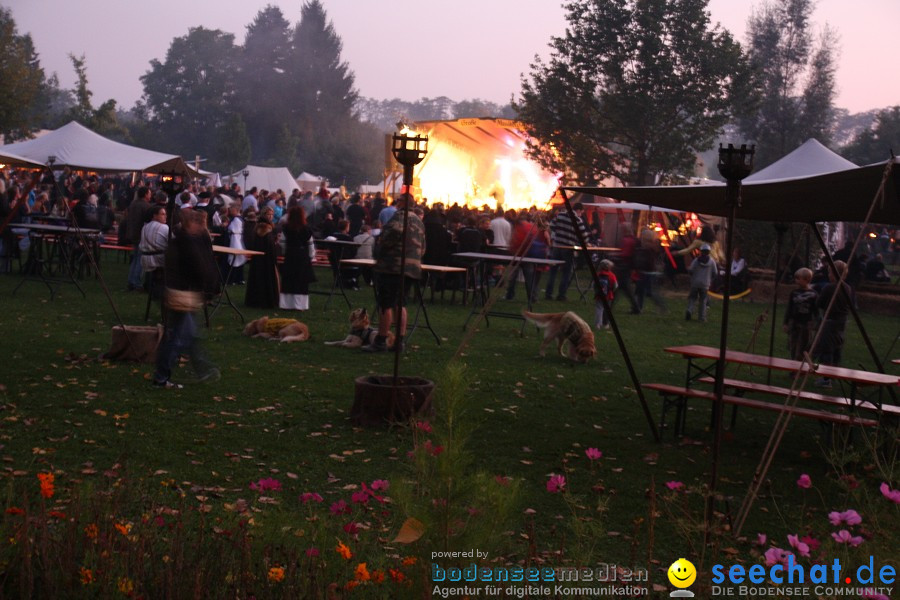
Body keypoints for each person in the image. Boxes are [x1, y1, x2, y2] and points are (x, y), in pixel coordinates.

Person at [152, 209, 221, 389]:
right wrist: (207, 286)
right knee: (178, 336)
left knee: (187, 334)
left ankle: (201, 368)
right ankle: (162, 376)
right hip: (182, 294)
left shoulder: (181, 242)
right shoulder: (185, 243)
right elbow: (198, 268)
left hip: (180, 292)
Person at [364, 194, 425, 353]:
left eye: (398, 201)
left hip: (393, 267)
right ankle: (399, 342)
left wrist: (382, 243)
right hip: (411, 269)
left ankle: (381, 340)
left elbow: (389, 237)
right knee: (401, 303)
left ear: (402, 203)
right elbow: (423, 248)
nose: (396, 203)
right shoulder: (419, 221)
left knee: (386, 304)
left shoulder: (398, 218)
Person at [813, 260, 853, 388]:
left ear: (834, 273)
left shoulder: (829, 288)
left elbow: (819, 303)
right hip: (842, 321)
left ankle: (826, 378)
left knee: (827, 349)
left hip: (830, 322)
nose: (828, 275)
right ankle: (834, 375)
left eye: (830, 272)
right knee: (837, 348)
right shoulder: (847, 287)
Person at [544, 202, 587, 301]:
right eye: (581, 212)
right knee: (566, 272)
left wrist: (559, 234)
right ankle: (561, 294)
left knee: (553, 271)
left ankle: (548, 294)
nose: (581, 215)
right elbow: (583, 236)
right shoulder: (578, 220)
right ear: (579, 210)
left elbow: (552, 226)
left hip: (557, 246)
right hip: (568, 249)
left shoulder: (560, 215)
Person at [278, 206, 316, 310]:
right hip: (302, 255)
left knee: (289, 279)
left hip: (290, 255)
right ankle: (300, 305)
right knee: (301, 280)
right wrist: (311, 256)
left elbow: (282, 243)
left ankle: (286, 304)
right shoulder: (306, 228)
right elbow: (310, 244)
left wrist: (286, 252)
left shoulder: (286, 228)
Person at [244, 209, 281, 308]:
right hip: (265, 259)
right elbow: (268, 245)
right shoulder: (264, 228)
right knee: (264, 278)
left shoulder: (262, 228)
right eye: (268, 214)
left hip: (262, 258)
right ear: (264, 215)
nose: (271, 216)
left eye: (272, 214)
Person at [782, 267, 818, 362]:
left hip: (806, 323)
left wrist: (816, 322)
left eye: (798, 278)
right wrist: (786, 322)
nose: (796, 280)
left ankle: (801, 364)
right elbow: (789, 308)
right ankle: (793, 363)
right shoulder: (794, 293)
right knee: (793, 344)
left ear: (807, 280)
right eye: (796, 278)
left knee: (804, 345)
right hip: (794, 322)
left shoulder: (813, 294)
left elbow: (815, 310)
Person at [139, 205, 169, 301]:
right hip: (158, 260)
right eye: (162, 214)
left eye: (165, 214)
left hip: (145, 260)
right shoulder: (164, 227)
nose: (165, 216)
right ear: (154, 216)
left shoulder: (145, 227)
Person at [685, 243, 717, 322]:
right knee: (703, 301)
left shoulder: (696, 260)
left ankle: (689, 310)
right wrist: (710, 279)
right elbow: (715, 272)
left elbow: (691, 270)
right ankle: (701, 318)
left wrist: (691, 275)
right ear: (709, 252)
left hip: (695, 283)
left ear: (701, 251)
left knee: (692, 298)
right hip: (705, 284)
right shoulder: (712, 262)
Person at [594, 259, 618, 330]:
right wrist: (612, 291)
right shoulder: (612, 275)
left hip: (599, 295)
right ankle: (606, 324)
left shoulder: (598, 274)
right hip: (609, 295)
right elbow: (616, 285)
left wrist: (596, 291)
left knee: (599, 309)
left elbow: (594, 284)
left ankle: (598, 324)